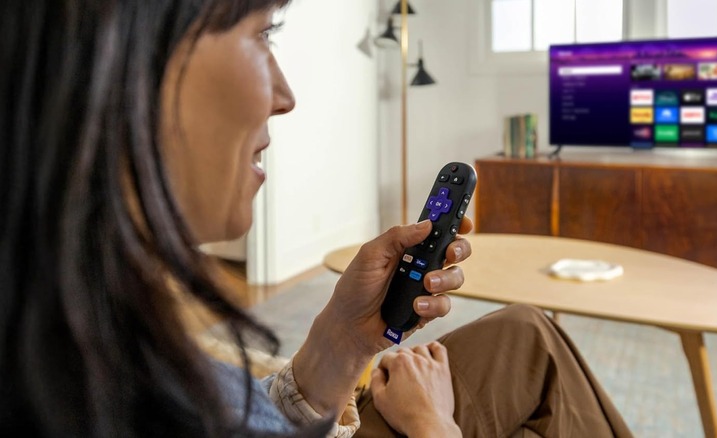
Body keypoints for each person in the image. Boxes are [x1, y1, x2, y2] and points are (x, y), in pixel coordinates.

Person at [0, 0, 633, 437]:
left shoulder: (75, 317)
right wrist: (432, 424)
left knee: (527, 331)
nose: (286, 95)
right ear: (122, 63)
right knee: (538, 353)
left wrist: (341, 340)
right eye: (262, 35)